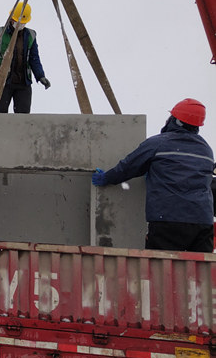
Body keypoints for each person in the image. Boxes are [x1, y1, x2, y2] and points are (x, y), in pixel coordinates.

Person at [92, 98, 215, 253]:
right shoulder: (206, 150)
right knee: (200, 274)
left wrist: (107, 178)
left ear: (175, 120)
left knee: (160, 271)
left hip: (169, 220)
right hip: (202, 221)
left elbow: (128, 167)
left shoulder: (158, 143)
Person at [0, 2, 51, 114]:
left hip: (23, 83)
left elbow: (34, 58)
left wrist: (40, 75)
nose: (20, 25)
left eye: (23, 23)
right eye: (17, 22)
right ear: (11, 19)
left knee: (23, 119)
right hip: (3, 82)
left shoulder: (30, 35)